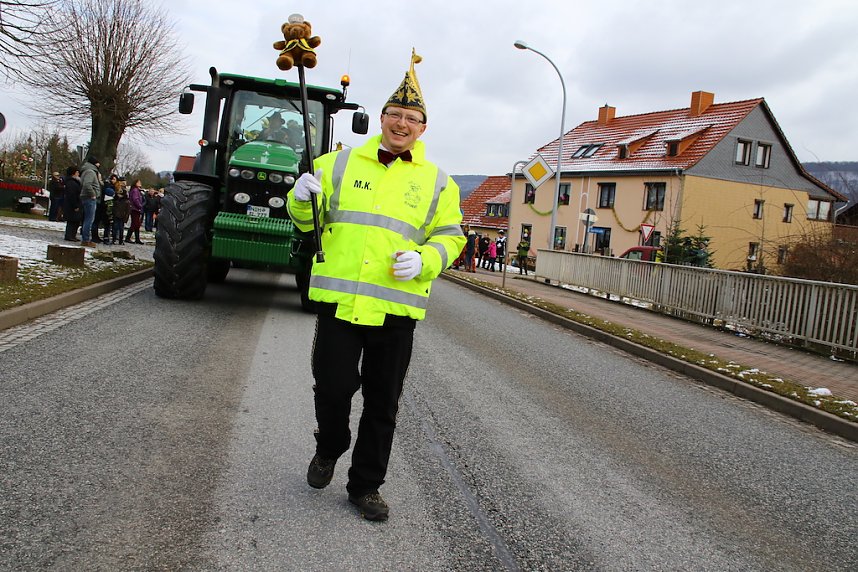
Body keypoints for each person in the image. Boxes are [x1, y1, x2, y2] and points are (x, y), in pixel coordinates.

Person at [287, 49, 465, 522]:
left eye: (412, 118)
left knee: (382, 404)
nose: (401, 123)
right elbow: (309, 223)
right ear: (381, 119)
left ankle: (365, 486)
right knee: (332, 388)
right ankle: (329, 448)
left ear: (423, 128)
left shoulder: (439, 183)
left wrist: (426, 259)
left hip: (396, 311)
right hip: (340, 303)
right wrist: (298, 198)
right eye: (394, 115)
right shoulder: (336, 165)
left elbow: (453, 236)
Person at [79, 157, 102, 248]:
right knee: (89, 219)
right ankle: (86, 239)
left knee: (88, 219)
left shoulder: (86, 171)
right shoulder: (90, 172)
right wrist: (93, 194)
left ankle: (86, 238)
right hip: (89, 198)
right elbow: (87, 184)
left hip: (86, 197)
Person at [62, 166, 82, 242]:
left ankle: (72, 235)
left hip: (72, 204)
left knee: (75, 221)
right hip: (72, 205)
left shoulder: (72, 182)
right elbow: (72, 195)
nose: (78, 174)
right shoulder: (71, 183)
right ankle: (70, 236)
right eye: (77, 172)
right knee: (72, 221)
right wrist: (75, 205)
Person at [126, 179, 144, 244]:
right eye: (139, 182)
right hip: (135, 209)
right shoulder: (135, 190)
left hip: (135, 209)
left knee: (137, 224)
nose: (140, 183)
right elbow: (135, 199)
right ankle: (128, 238)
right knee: (135, 224)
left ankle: (137, 238)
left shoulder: (135, 190)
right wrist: (140, 206)